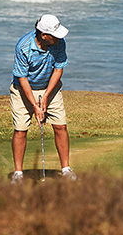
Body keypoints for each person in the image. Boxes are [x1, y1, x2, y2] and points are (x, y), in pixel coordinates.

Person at [9, 14, 77, 184]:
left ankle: (66, 169)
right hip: (23, 90)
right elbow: (22, 78)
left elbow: (58, 69)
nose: (59, 37)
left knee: (60, 126)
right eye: (55, 34)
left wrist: (45, 96)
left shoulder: (58, 42)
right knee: (20, 130)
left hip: (50, 88)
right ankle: (18, 173)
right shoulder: (23, 46)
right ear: (44, 35)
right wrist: (35, 105)